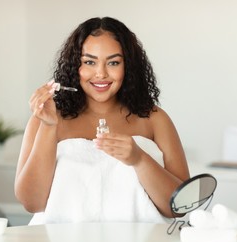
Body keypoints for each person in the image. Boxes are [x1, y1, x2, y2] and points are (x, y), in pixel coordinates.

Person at [14, 17, 189, 224]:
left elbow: (181, 206)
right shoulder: (45, 119)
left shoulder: (154, 119)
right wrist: (49, 126)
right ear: (74, 65)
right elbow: (32, 204)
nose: (101, 74)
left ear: (128, 67)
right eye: (89, 62)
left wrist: (139, 159)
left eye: (113, 62)